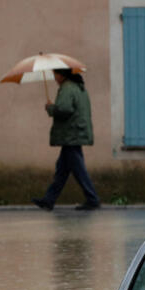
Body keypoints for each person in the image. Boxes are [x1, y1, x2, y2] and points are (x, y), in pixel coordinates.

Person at [32, 68, 100, 211]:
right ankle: (49, 200)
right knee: (62, 169)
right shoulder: (78, 87)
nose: (54, 77)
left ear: (62, 75)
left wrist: (51, 108)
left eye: (55, 74)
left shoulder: (67, 88)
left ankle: (92, 199)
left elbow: (65, 109)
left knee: (78, 169)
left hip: (71, 134)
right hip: (76, 132)